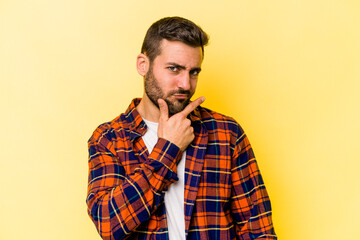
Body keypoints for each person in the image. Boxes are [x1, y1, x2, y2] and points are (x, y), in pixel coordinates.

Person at [86, 16, 277, 240]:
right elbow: (109, 224)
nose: (186, 84)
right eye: (174, 69)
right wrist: (168, 149)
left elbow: (258, 229)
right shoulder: (109, 138)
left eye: (194, 72)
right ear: (143, 65)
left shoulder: (226, 133)